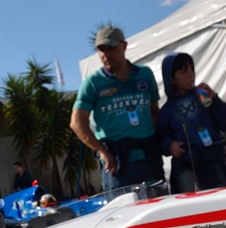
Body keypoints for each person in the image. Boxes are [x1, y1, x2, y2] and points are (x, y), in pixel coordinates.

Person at [70, 24, 163, 192]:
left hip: (148, 158)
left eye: (111, 48)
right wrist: (102, 152)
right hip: (117, 163)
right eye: (101, 50)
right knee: (122, 214)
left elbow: (155, 113)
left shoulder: (144, 74)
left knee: (157, 210)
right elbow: (77, 123)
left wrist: (160, 143)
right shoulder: (93, 83)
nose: (106, 54)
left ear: (124, 46)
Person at [157, 52, 226, 192]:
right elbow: (162, 139)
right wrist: (170, 146)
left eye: (192, 69)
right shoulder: (166, 110)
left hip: (212, 159)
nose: (191, 75)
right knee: (189, 204)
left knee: (220, 200)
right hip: (185, 165)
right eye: (183, 72)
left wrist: (215, 99)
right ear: (172, 80)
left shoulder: (203, 96)